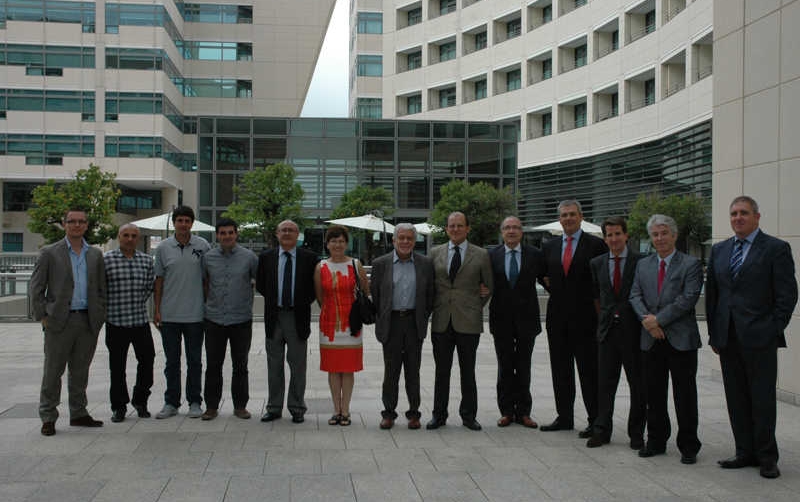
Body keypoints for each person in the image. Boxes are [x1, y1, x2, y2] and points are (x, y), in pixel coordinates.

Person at [706, 196, 798, 479]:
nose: (738, 218)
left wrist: (771, 329)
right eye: (733, 213)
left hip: (760, 338)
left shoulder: (775, 249)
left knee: (762, 399)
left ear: (757, 217)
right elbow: (713, 296)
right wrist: (714, 334)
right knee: (736, 398)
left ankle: (767, 457)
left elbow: (787, 295)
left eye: (744, 213)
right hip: (728, 338)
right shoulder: (720, 251)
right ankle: (744, 452)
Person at [630, 214, 703, 465]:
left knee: (685, 395)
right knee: (654, 394)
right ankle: (656, 441)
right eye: (655, 234)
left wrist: (658, 320)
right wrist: (648, 324)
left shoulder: (691, 264)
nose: (659, 238)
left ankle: (689, 446)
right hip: (651, 340)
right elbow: (634, 296)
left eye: (664, 233)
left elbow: (688, 298)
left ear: (674, 235)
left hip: (681, 339)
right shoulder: (643, 264)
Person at [30, 208, 107, 436]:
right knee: (53, 372)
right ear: (64, 224)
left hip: (87, 320)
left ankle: (79, 412)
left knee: (80, 370)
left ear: (86, 225)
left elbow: (101, 287)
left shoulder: (94, 254)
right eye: (72, 221)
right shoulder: (49, 253)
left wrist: (100, 313)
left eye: (81, 221)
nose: (76, 225)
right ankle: (48, 416)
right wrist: (43, 317)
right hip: (59, 321)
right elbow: (36, 288)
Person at [539, 200, 607, 438]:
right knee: (560, 370)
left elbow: (602, 282)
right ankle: (565, 417)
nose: (567, 218)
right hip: (557, 319)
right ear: (559, 219)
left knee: (589, 371)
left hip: (586, 319)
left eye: (572, 214)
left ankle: (594, 419)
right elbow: (542, 274)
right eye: (564, 215)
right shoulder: (549, 246)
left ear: (581, 217)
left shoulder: (597, 245)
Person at [427, 211, 493, 431]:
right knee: (441, 372)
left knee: (468, 371)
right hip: (441, 321)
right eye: (451, 225)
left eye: (459, 225)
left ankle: (468, 415)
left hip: (469, 322)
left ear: (467, 228)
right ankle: (439, 415)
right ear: (446, 229)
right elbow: (429, 286)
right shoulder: (434, 253)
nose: (455, 229)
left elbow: (488, 287)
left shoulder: (481, 254)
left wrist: (474, 307)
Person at [587, 216, 645, 449]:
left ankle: (637, 433)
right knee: (604, 384)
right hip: (608, 333)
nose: (613, 239)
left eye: (617, 234)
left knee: (638, 385)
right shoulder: (597, 263)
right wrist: (606, 320)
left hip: (634, 333)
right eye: (609, 235)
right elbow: (597, 298)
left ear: (626, 235)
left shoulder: (641, 261)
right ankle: (602, 430)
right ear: (605, 238)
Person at [370, 223, 435, 430]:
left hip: (414, 322)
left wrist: (422, 317)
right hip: (392, 323)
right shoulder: (381, 264)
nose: (405, 242)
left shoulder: (425, 264)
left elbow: (430, 295)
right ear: (393, 240)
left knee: (413, 371)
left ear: (415, 241)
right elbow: (377, 296)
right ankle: (388, 413)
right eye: (402, 238)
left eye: (409, 238)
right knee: (391, 371)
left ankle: (414, 413)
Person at [256, 220, 319, 424]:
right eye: (283, 230)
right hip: (274, 317)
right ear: (277, 233)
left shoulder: (309, 258)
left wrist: (297, 302)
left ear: (297, 234)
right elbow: (262, 286)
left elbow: (313, 288)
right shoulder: (266, 257)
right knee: (274, 365)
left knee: (298, 365)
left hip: (297, 317)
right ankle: (274, 407)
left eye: (291, 230)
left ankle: (297, 407)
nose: (287, 233)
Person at [153, 206, 210, 419]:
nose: (183, 224)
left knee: (195, 361)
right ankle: (171, 402)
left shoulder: (202, 246)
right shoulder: (163, 248)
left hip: (196, 315)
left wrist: (207, 307)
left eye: (187, 220)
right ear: (174, 223)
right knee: (172, 362)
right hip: (170, 316)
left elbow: (207, 280)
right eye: (180, 220)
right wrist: (157, 310)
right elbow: (159, 281)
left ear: (192, 223)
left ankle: (195, 401)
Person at [488, 216, 545, 428]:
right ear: (502, 232)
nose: (511, 231)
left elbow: (547, 279)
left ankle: (523, 412)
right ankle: (506, 411)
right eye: (507, 228)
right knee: (504, 367)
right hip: (501, 320)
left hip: (527, 321)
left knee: (523, 366)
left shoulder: (535, 255)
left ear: (522, 232)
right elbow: (482, 281)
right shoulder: (491, 255)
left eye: (516, 228)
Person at [200, 218, 258, 420]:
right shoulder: (208, 258)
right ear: (217, 235)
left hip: (241, 319)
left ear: (236, 234)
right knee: (213, 365)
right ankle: (211, 407)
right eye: (222, 233)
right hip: (214, 319)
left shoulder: (249, 257)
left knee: (240, 365)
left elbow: (255, 281)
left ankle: (240, 406)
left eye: (230, 233)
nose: (226, 236)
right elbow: (205, 283)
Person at [314, 225, 368, 426]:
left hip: (351, 324)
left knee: (348, 369)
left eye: (341, 241)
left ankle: (346, 410)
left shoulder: (356, 264)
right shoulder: (321, 267)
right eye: (333, 240)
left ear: (347, 243)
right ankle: (336, 409)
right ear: (327, 244)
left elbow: (364, 290)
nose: (337, 244)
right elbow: (320, 297)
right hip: (329, 324)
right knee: (333, 369)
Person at [104, 223, 155, 423]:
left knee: (147, 360)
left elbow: (150, 286)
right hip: (116, 322)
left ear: (139, 238)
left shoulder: (146, 260)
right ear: (119, 237)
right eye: (126, 235)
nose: (130, 239)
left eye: (134, 235)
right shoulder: (107, 260)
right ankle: (119, 406)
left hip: (140, 321)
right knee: (117, 367)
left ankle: (140, 400)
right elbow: (100, 288)